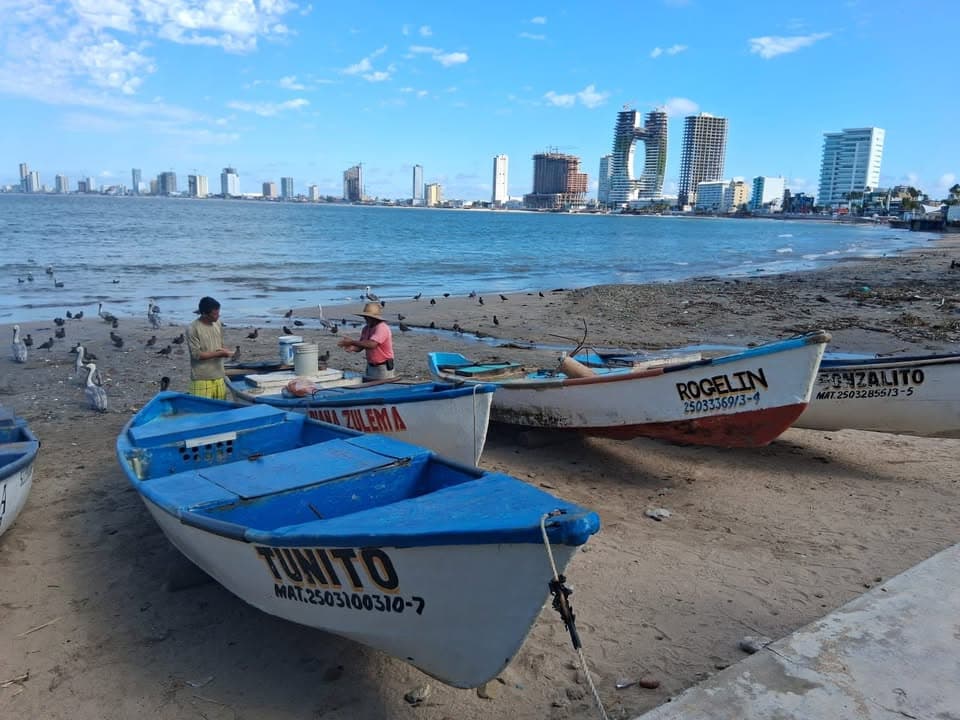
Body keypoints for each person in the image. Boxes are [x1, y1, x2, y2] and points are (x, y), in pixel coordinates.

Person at [186, 296, 233, 399]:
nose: (218, 316)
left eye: (218, 313)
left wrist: (225, 351)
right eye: (215, 314)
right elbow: (196, 355)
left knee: (220, 407)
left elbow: (220, 345)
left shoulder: (218, 324)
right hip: (201, 378)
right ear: (204, 313)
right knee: (201, 408)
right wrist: (220, 354)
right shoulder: (192, 328)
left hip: (219, 375)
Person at [338, 301, 395, 380]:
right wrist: (352, 348)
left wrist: (351, 342)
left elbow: (372, 344)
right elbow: (361, 346)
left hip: (383, 367)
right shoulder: (366, 328)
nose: (365, 318)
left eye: (367, 317)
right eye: (365, 317)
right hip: (370, 365)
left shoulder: (382, 328)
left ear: (373, 318)